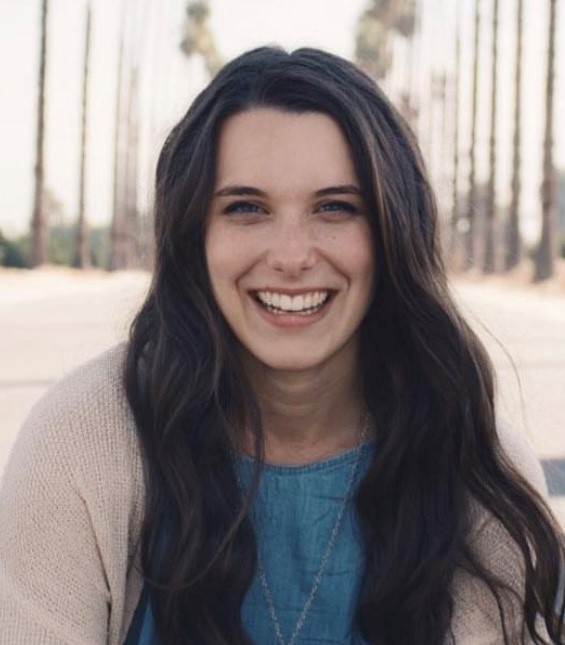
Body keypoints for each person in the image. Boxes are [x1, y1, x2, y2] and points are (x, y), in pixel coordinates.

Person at [1, 46, 564, 645]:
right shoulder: (83, 442)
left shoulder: (477, 468)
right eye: (247, 208)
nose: (292, 256)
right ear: (195, 235)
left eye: (335, 208)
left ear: (392, 232)